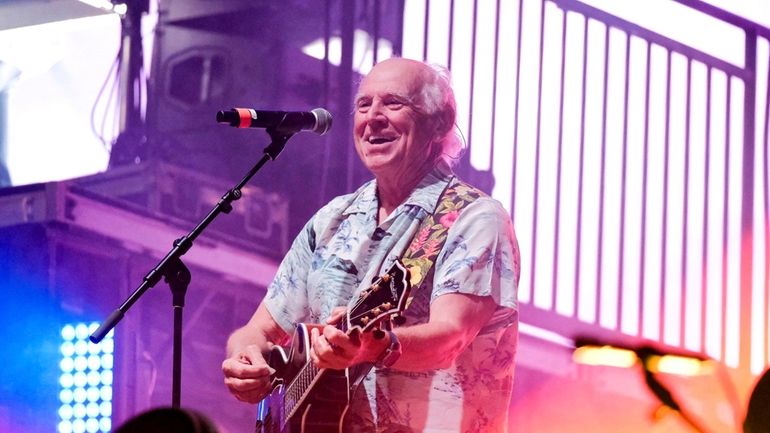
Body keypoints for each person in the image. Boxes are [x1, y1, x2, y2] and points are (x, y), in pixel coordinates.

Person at [222, 57, 520, 433]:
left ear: (439, 122)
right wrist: (244, 359)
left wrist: (372, 347)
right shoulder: (331, 220)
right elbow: (257, 331)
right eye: (364, 105)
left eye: (393, 103)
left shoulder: (472, 218)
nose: (373, 118)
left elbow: (450, 337)